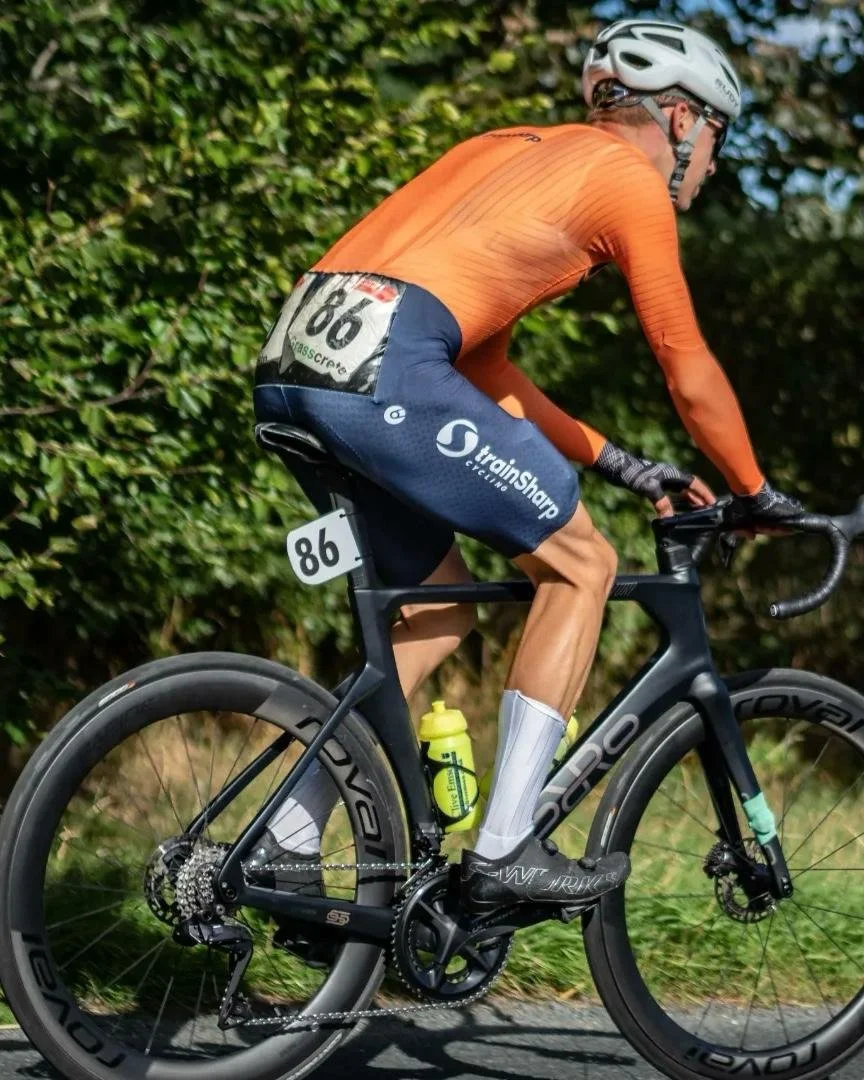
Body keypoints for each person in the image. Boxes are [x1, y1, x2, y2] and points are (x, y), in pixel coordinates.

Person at [251, 19, 802, 932]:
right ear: (679, 119)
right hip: (390, 365)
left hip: (297, 363)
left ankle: (288, 838)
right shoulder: (629, 182)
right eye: (715, 137)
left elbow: (484, 372)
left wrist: (630, 467)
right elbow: (685, 363)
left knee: (438, 606)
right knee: (581, 565)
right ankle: (505, 848)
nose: (708, 163)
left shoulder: (508, 151)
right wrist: (754, 489)